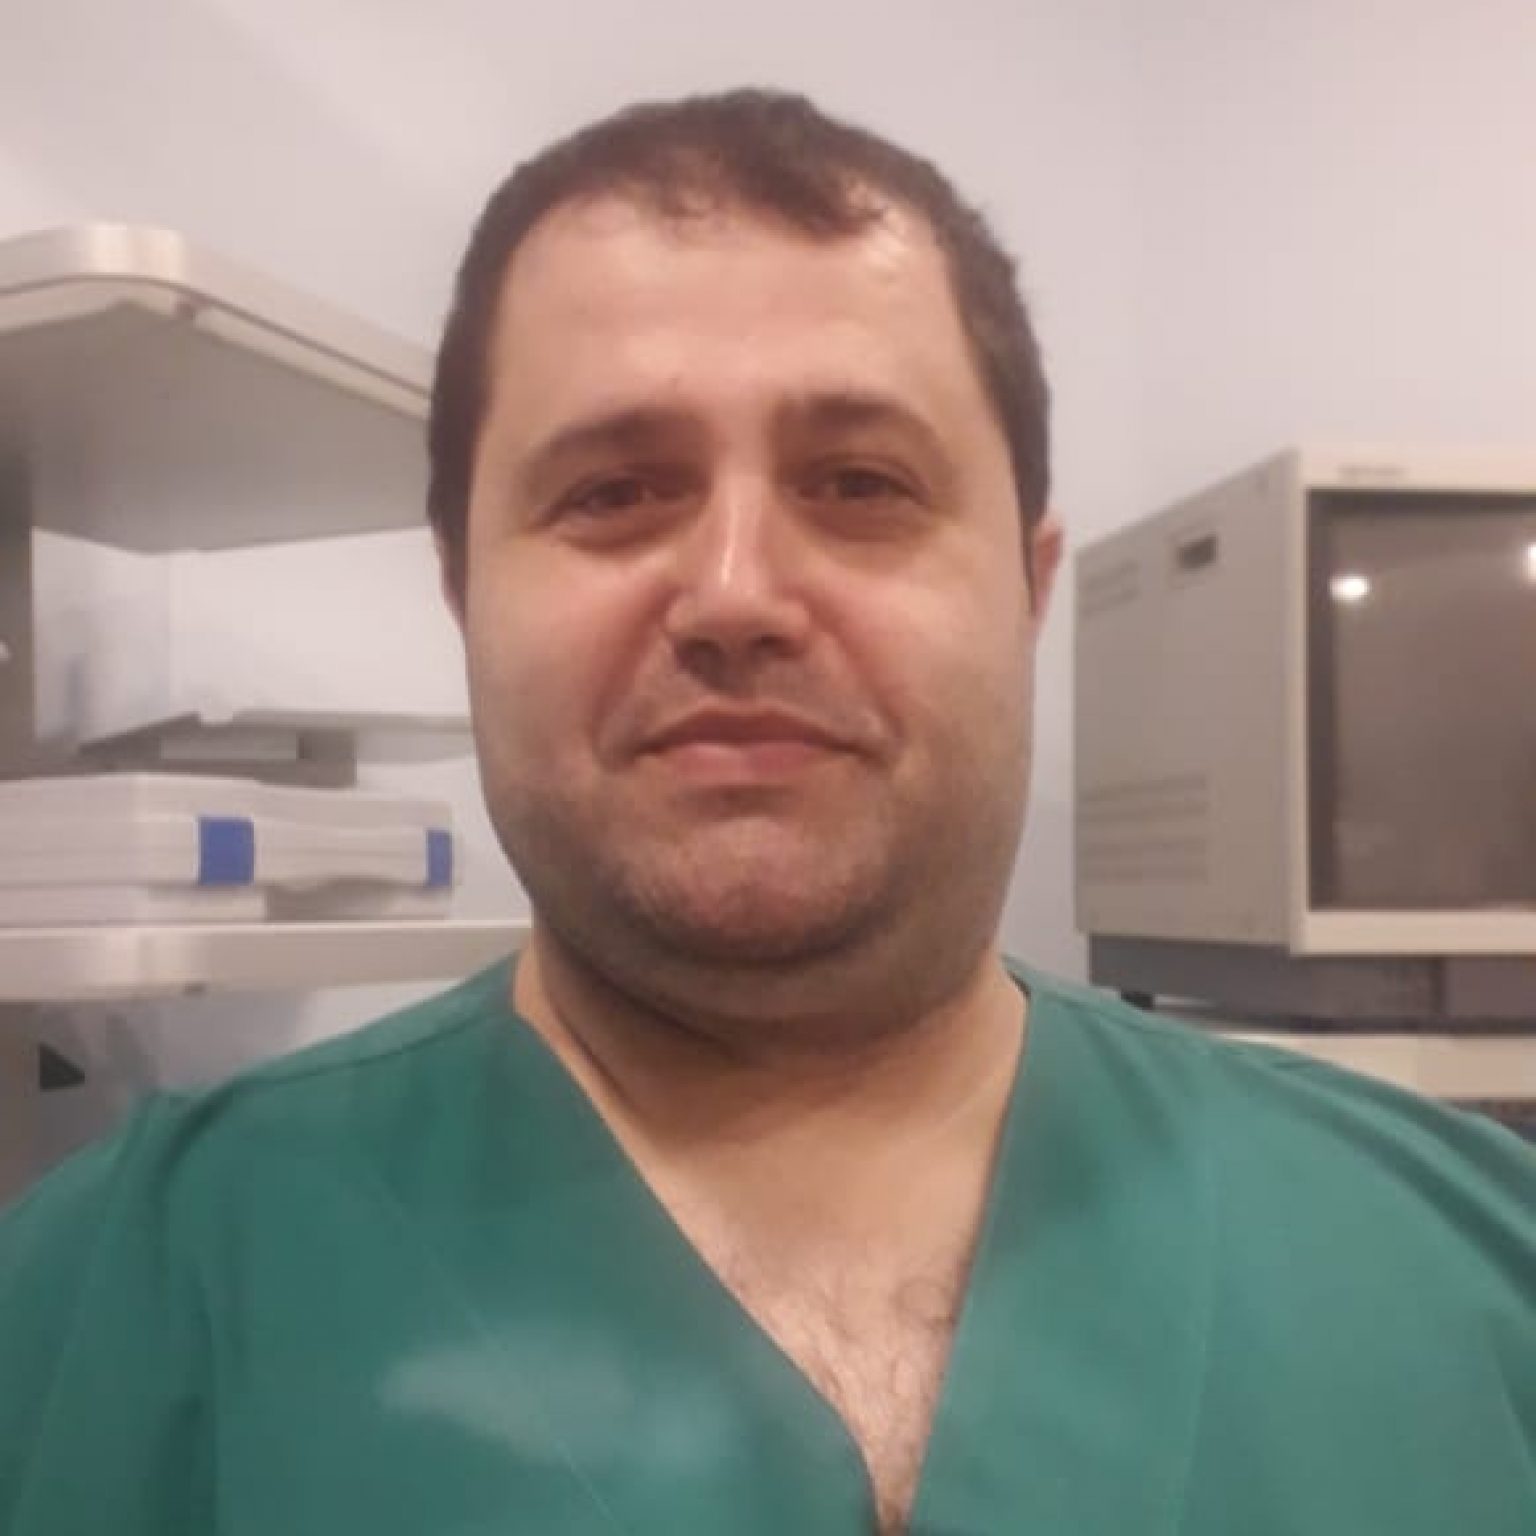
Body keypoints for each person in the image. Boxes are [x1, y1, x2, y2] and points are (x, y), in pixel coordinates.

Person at [1, 88, 1532, 1536]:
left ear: (1028, 585)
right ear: (463, 590)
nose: (735, 595)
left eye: (861, 483)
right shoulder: (100, 1315)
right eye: (613, 492)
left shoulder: (1480, 1271)